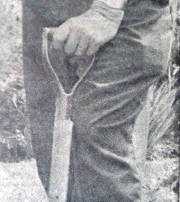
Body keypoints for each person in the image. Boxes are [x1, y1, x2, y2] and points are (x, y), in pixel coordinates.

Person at [22, 0, 171, 201]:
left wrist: (107, 10)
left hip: (115, 16)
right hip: (48, 13)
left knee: (94, 142)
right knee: (58, 161)